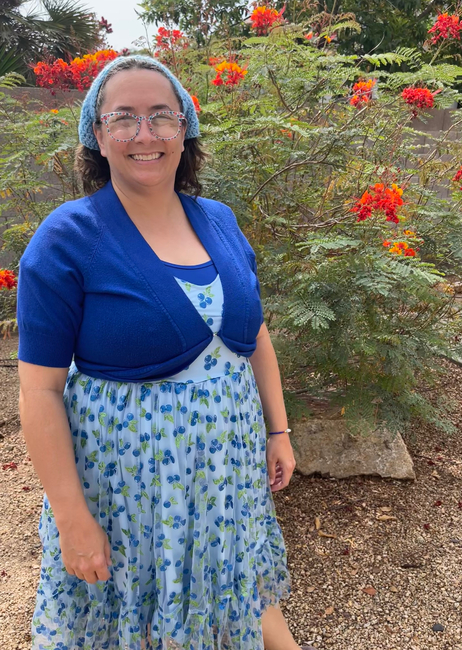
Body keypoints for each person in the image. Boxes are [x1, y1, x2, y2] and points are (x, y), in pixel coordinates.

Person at [17, 55, 310, 650]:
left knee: (239, 587)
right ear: (97, 134)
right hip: (127, 490)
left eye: (161, 116)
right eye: (123, 117)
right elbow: (40, 391)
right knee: (134, 616)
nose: (144, 134)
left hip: (227, 475)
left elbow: (253, 335)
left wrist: (278, 431)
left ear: (185, 129)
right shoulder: (67, 238)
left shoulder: (219, 221)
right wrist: (72, 519)